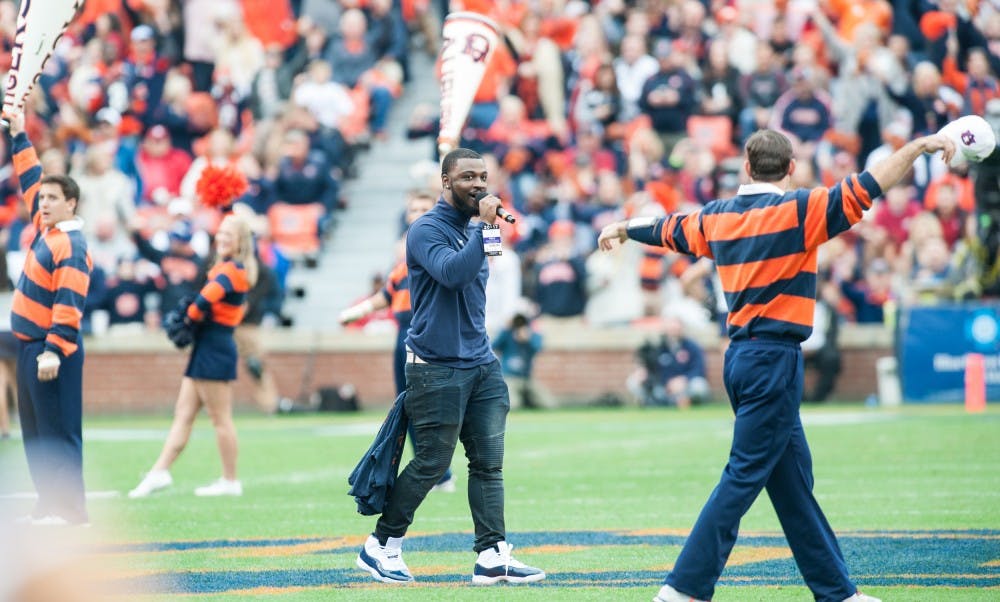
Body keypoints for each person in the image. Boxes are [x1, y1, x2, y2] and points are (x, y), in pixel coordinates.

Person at [598, 128, 955, 602]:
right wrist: (919, 146)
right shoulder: (802, 209)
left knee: (792, 488)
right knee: (744, 475)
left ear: (746, 167)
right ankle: (682, 588)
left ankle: (837, 593)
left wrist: (625, 227)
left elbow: (669, 228)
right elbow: (871, 183)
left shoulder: (718, 217)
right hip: (773, 359)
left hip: (741, 359)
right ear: (791, 168)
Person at [354, 148, 545, 585]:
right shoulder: (424, 230)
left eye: (483, 176)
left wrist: (488, 228)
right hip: (436, 365)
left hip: (480, 360)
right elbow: (454, 273)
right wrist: (482, 226)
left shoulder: (476, 228)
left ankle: (493, 553)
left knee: (488, 462)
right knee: (432, 463)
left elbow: (486, 269)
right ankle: (381, 545)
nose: (479, 185)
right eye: (467, 178)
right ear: (446, 183)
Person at [128, 213, 257, 498]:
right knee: (183, 414)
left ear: (240, 242)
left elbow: (204, 300)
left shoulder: (232, 270)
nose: (222, 238)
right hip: (207, 346)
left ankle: (230, 480)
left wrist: (189, 319)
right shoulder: (226, 266)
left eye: (229, 235)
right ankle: (159, 472)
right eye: (220, 233)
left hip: (215, 346)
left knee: (220, 418)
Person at [7, 111, 93, 526]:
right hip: (30, 345)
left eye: (52, 198)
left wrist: (55, 349)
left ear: (71, 202)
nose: (43, 203)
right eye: (43, 199)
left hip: (51, 348)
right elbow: (28, 176)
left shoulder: (71, 244)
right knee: (37, 433)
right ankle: (48, 501)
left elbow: (69, 301)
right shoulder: (47, 230)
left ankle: (72, 510)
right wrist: (19, 133)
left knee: (59, 431)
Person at [338, 190, 456, 491]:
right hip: (403, 336)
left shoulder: (440, 255)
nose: (416, 214)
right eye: (413, 209)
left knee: (434, 407)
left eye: (423, 208)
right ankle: (432, 472)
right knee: (409, 406)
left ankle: (439, 469)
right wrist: (357, 311)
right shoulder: (404, 264)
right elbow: (387, 295)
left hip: (430, 334)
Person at [491, 312, 555, 410]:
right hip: (510, 378)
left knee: (548, 404)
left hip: (527, 379)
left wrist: (528, 338)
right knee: (514, 405)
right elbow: (493, 346)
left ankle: (528, 400)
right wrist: (505, 329)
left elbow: (538, 347)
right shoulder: (507, 334)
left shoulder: (533, 335)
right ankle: (524, 400)